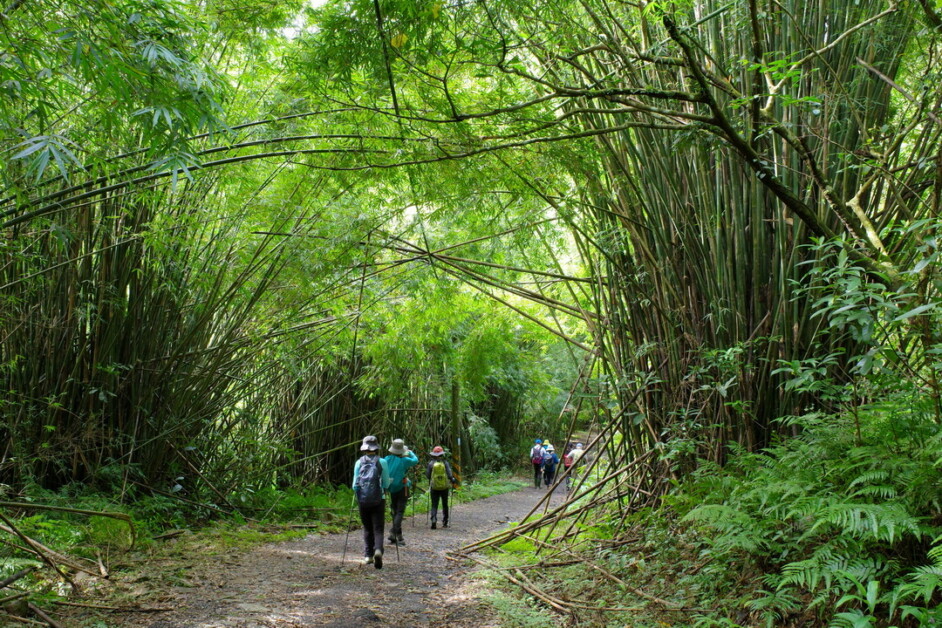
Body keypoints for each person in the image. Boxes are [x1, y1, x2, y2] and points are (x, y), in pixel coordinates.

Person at [352, 435, 391, 568]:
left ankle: (368, 556)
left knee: (367, 528)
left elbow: (354, 485)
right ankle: (378, 550)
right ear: (376, 448)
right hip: (379, 499)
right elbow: (386, 482)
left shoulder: (359, 462)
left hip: (363, 500)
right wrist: (384, 490)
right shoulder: (383, 462)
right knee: (378, 528)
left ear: (364, 448)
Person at [384, 438, 418, 546]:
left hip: (391, 487)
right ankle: (393, 532)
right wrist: (411, 452)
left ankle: (399, 536)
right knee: (399, 511)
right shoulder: (405, 460)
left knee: (394, 510)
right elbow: (415, 460)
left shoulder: (386, 459)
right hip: (403, 488)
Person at [426, 445, 456, 529]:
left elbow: (428, 476)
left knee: (434, 504)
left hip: (434, 487)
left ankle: (434, 519)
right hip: (444, 487)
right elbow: (449, 474)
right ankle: (445, 521)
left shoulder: (431, 463)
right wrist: (452, 479)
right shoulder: (445, 463)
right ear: (442, 454)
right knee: (445, 504)